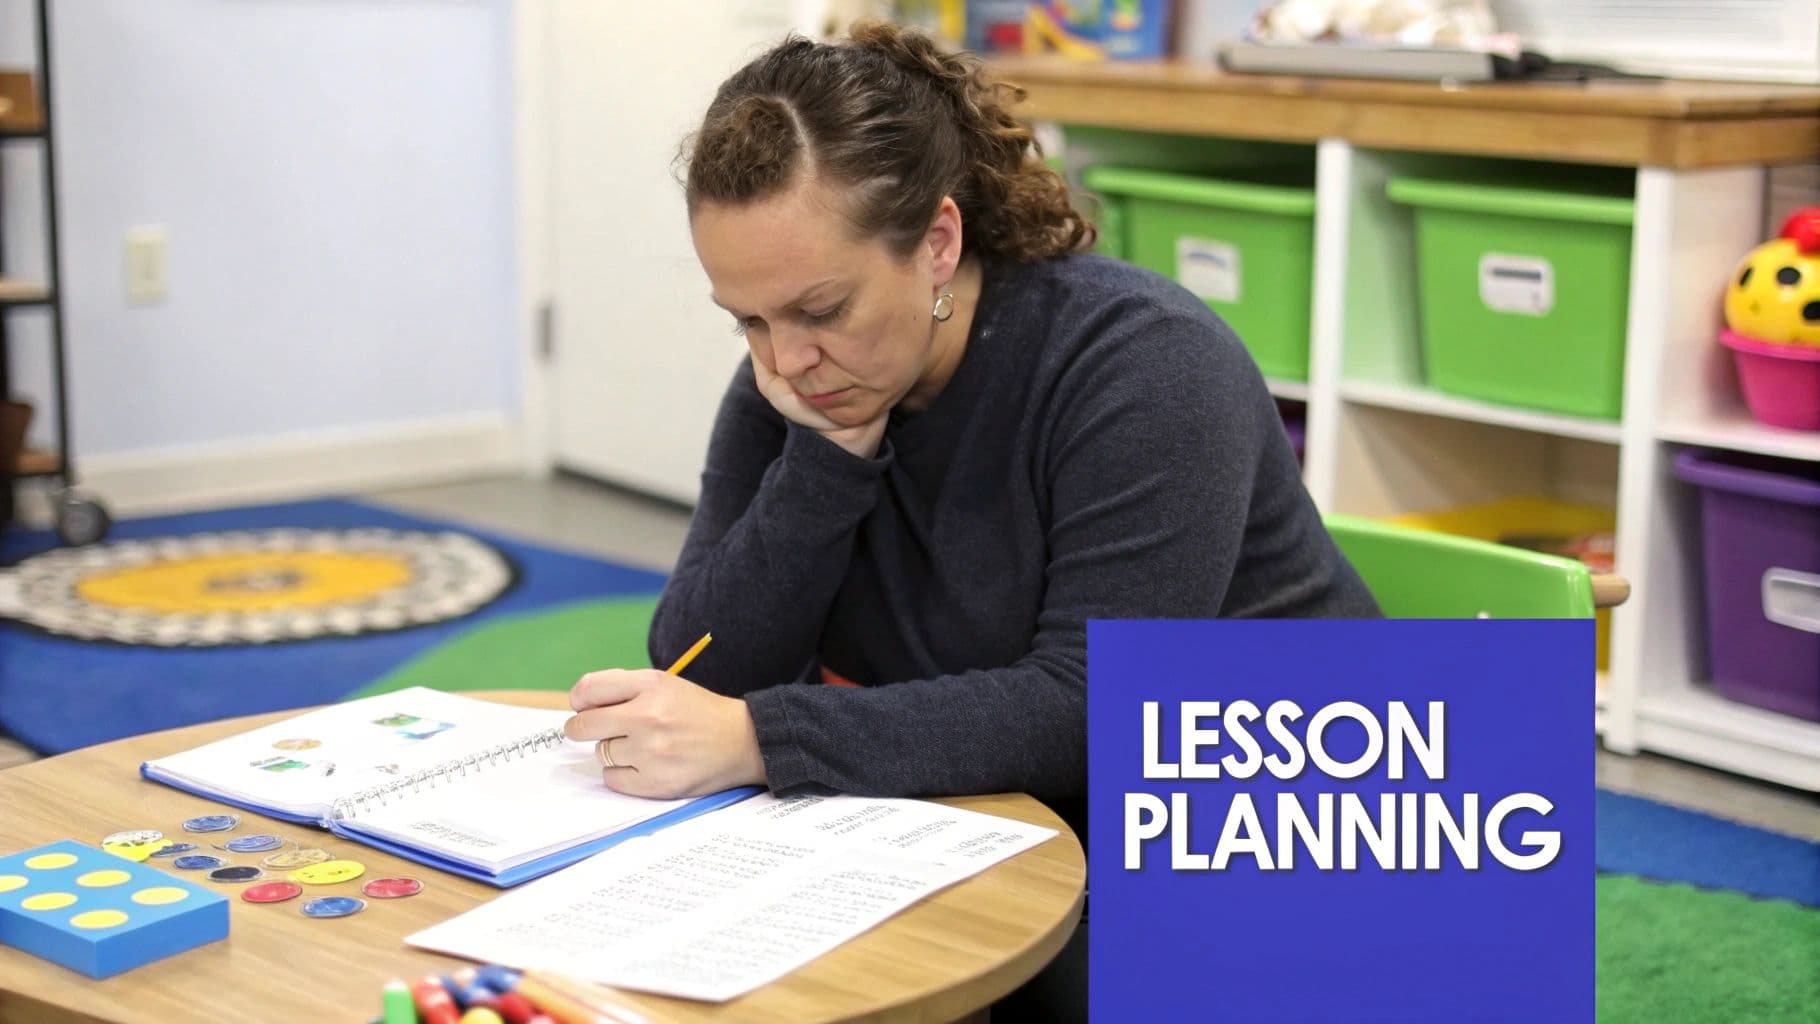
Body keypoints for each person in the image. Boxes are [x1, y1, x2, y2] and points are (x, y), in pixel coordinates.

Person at [562, 21, 1380, 1019]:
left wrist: (759, 739)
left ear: (937, 243)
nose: (783, 359)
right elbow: (701, 659)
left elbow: (1094, 711)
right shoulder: (801, 382)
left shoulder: (1142, 364)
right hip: (1004, 806)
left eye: (820, 309)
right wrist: (826, 462)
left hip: (1278, 813)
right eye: (747, 318)